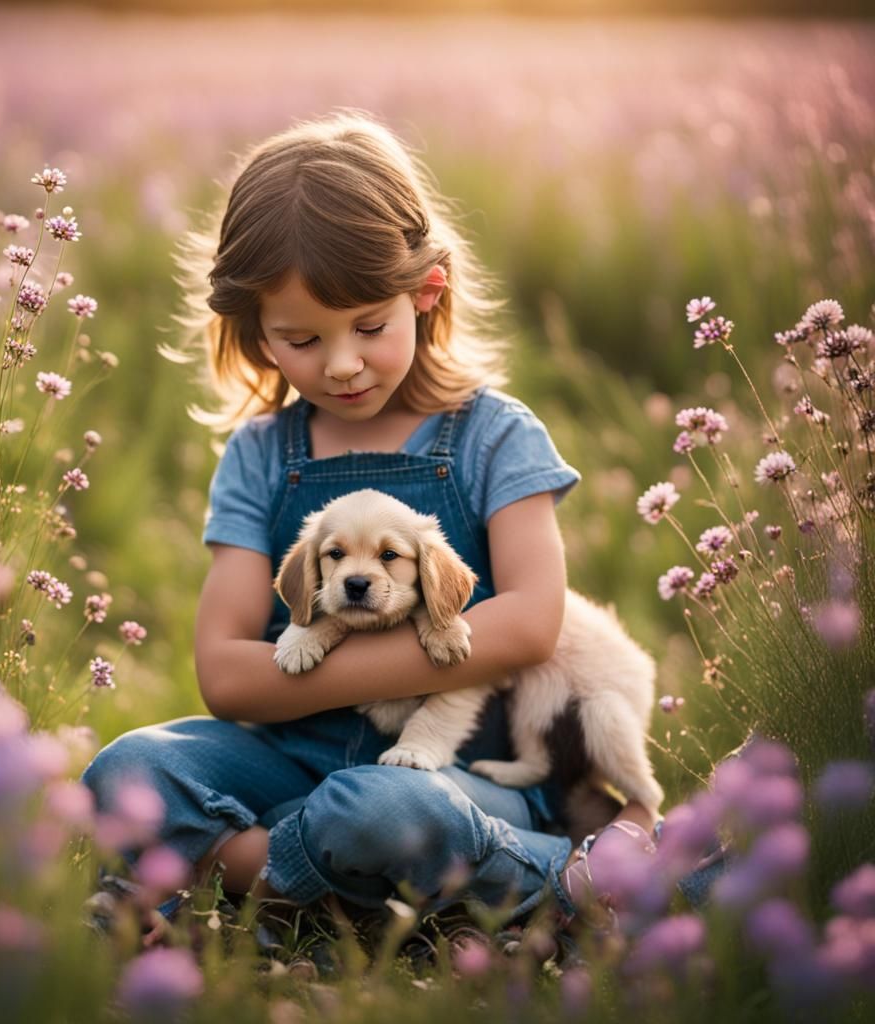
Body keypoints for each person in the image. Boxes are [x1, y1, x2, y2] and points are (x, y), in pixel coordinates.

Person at [80, 109, 660, 948]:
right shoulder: (259, 455)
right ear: (256, 331)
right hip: (286, 761)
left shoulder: (495, 435)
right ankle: (358, 875)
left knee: (384, 807)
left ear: (426, 292)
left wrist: (328, 657)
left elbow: (531, 622)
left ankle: (259, 872)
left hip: (452, 775)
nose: (343, 363)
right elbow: (225, 674)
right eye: (303, 338)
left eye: (370, 327)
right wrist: (367, 670)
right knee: (125, 768)